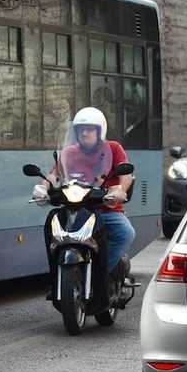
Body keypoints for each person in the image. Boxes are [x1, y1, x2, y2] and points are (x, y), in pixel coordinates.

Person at [35, 106, 135, 313]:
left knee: (125, 232)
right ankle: (57, 278)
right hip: (76, 207)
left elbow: (125, 175)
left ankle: (102, 272)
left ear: (100, 131)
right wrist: (42, 187)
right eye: (81, 129)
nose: (84, 133)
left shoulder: (113, 148)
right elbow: (54, 174)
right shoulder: (69, 152)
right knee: (52, 224)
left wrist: (120, 190)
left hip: (105, 208)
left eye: (90, 129)